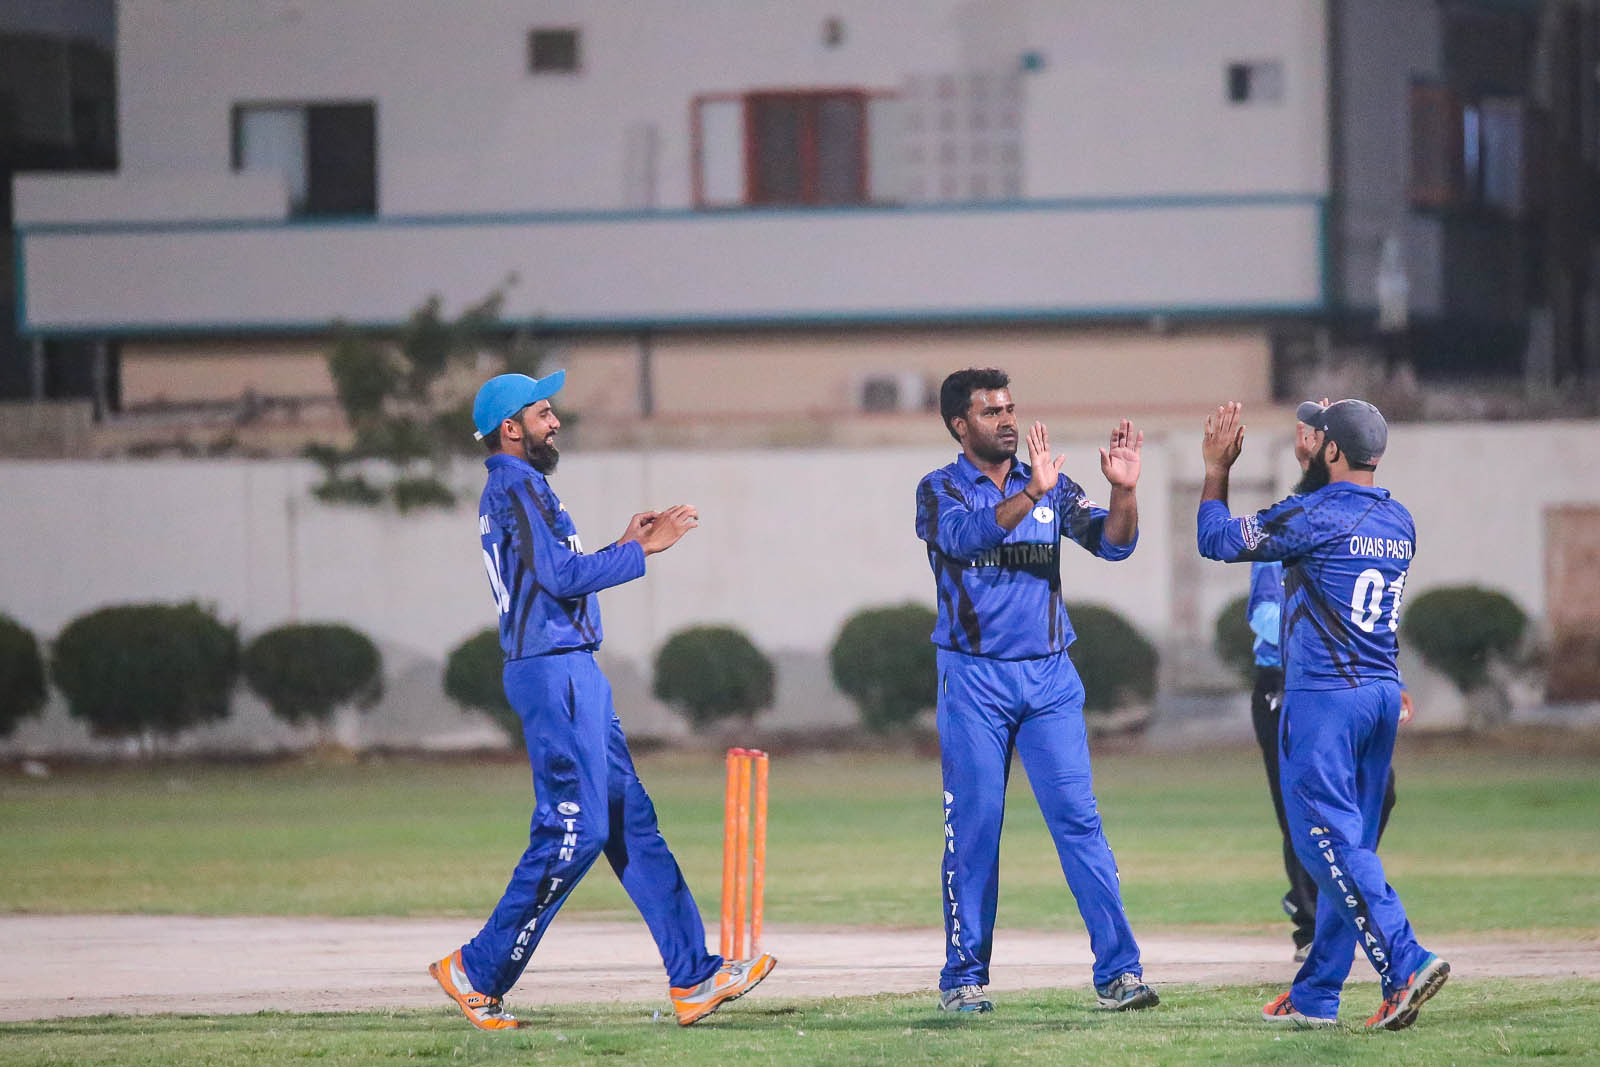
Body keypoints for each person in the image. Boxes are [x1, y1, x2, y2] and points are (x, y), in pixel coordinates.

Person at [429, 371, 775, 1030]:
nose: (555, 421)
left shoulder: (521, 486)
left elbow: (550, 576)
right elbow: (561, 577)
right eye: (543, 412)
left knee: (629, 823)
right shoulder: (516, 485)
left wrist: (620, 545)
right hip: (551, 671)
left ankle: (694, 976)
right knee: (575, 830)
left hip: (570, 669)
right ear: (511, 428)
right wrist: (640, 551)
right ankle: (477, 969)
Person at [1198, 398, 1448, 1031]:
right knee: (1349, 843)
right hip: (1381, 693)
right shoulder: (1399, 519)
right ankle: (1316, 994)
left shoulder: (1313, 514)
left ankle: (1407, 961)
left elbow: (1216, 539)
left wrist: (1217, 469)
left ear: (1331, 448)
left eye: (1318, 438)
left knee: (1324, 842)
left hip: (1325, 698)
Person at [914, 367, 1158, 1015]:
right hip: (974, 679)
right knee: (975, 830)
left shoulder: (1049, 481)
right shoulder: (939, 489)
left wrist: (1124, 491)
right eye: (990, 412)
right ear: (959, 425)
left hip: (1050, 678)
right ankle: (964, 979)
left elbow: (1114, 544)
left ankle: (1120, 973)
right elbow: (966, 538)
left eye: (1010, 409)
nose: (1007, 421)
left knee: (1080, 823)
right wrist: (1031, 495)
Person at [1248, 407, 1401, 962]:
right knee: (1304, 811)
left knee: (1370, 799)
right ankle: (1313, 926)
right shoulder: (1293, 524)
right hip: (1291, 682)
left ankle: (1341, 915)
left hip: (1346, 684)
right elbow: (1265, 614)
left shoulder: (1345, 521)